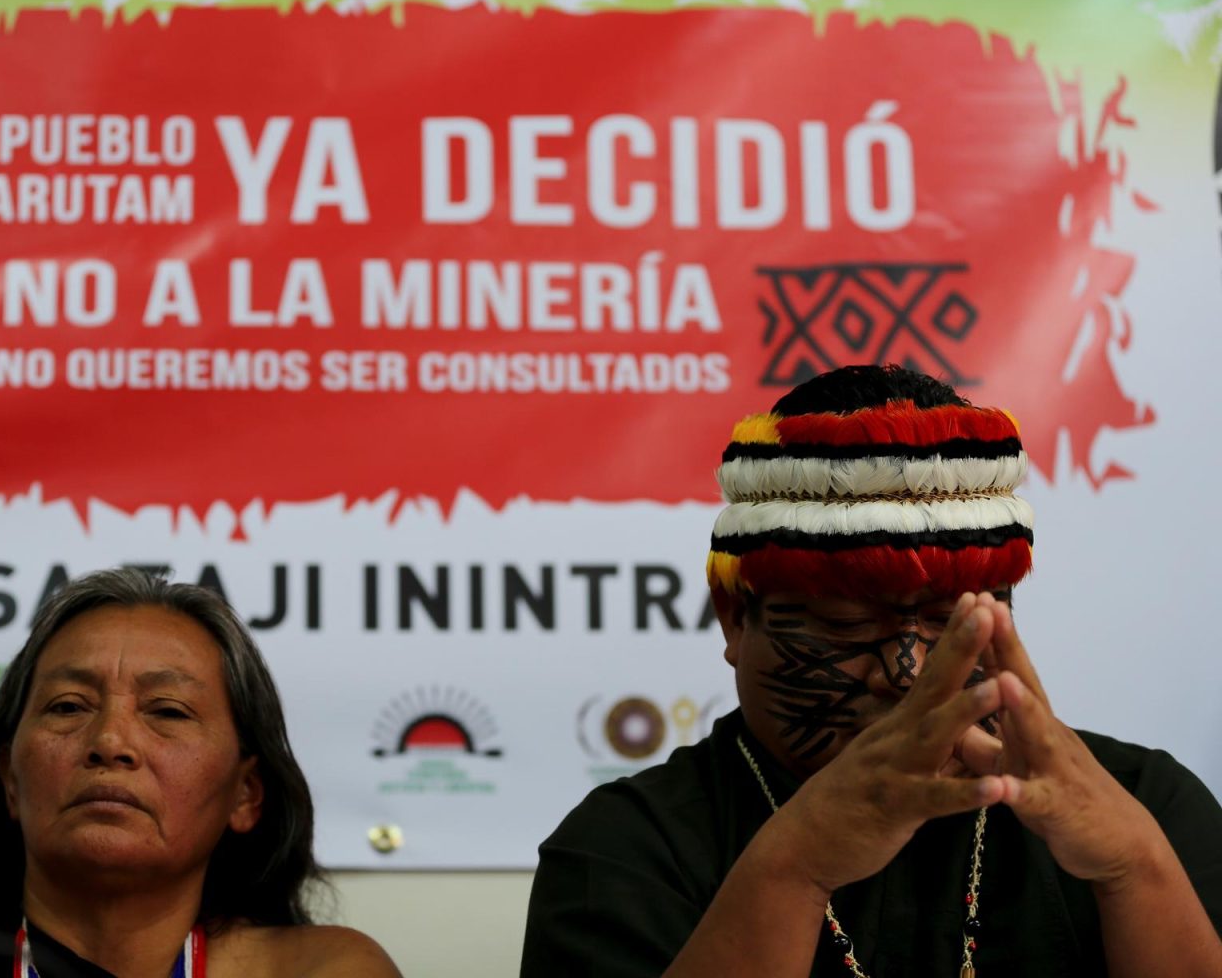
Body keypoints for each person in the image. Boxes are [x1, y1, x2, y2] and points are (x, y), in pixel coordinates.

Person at [521, 364, 1222, 977]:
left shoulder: (1145, 805)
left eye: (954, 625)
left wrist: (1135, 870)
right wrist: (795, 867)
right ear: (737, 618)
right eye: (847, 626)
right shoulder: (625, 849)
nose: (910, 671)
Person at [0, 567, 400, 978]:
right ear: (10, 781)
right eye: (68, 706)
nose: (109, 741)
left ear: (246, 795)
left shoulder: (327, 970)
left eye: (167, 711)